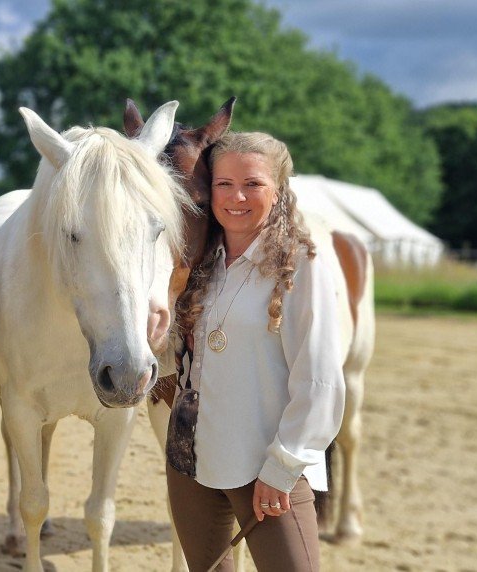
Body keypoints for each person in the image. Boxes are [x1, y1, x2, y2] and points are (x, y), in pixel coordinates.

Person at [166, 131, 345, 571]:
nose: (236, 197)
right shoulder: (201, 259)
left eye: (253, 184)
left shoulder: (302, 262)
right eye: (224, 184)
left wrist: (283, 467)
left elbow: (319, 378)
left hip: (264, 463)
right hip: (191, 458)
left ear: (279, 189)